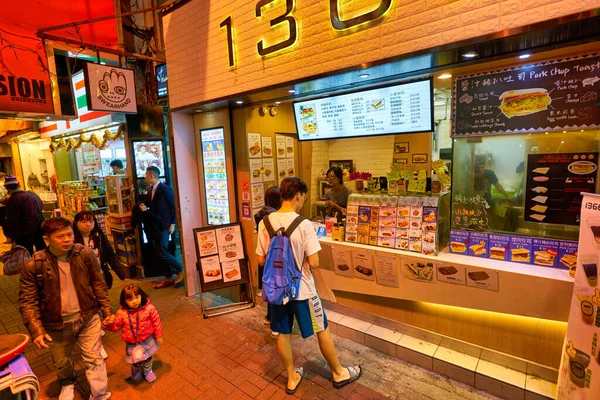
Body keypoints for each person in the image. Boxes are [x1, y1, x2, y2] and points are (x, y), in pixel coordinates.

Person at [256, 177, 362, 395]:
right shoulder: (303, 224)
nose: (303, 201)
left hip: (278, 290)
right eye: (303, 197)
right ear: (297, 196)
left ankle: (292, 377)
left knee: (283, 333)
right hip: (302, 289)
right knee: (321, 328)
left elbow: (260, 260)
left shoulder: (265, 222)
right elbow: (314, 262)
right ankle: (339, 373)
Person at [19, 217, 113, 400]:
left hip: (88, 318)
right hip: (56, 324)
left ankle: (100, 395)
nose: (67, 240)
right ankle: (68, 382)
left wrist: (107, 311)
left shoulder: (84, 254)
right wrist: (36, 330)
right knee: (62, 362)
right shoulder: (34, 265)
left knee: (94, 358)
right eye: (60, 236)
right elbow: (27, 301)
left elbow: (98, 284)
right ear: (47, 240)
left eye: (69, 234)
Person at [103, 284, 163, 384]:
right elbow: (115, 327)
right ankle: (136, 370)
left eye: (137, 297)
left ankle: (148, 370)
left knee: (148, 357)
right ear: (124, 301)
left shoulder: (149, 309)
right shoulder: (122, 313)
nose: (135, 301)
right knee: (136, 361)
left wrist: (158, 335)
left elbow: (156, 322)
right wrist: (108, 324)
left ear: (142, 296)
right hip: (132, 343)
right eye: (130, 299)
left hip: (147, 339)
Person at [139, 166, 184, 289]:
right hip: (153, 226)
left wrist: (173, 223)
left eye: (146, 175)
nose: (145, 177)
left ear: (151, 176)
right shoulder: (150, 190)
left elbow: (175, 206)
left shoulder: (165, 189)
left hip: (164, 225)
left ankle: (180, 269)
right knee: (158, 252)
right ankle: (168, 277)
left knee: (163, 251)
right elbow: (151, 207)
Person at [253, 186, 282, 332]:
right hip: (275, 257)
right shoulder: (275, 216)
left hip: (264, 255)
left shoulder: (260, 215)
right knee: (277, 287)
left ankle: (269, 316)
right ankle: (275, 320)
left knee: (269, 287)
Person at [73, 211, 127, 290]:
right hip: (82, 282)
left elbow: (110, 255)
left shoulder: (99, 237)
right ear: (76, 223)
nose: (88, 224)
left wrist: (121, 273)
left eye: (91, 221)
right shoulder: (72, 241)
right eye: (84, 222)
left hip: (101, 277)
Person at [3, 175, 46, 255]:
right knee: (42, 252)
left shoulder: (12, 200)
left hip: (23, 233)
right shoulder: (32, 195)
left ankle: (31, 267)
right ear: (19, 185)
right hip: (38, 228)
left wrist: (13, 238)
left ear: (7, 189)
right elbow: (40, 207)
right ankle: (45, 266)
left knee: (26, 256)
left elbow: (13, 220)